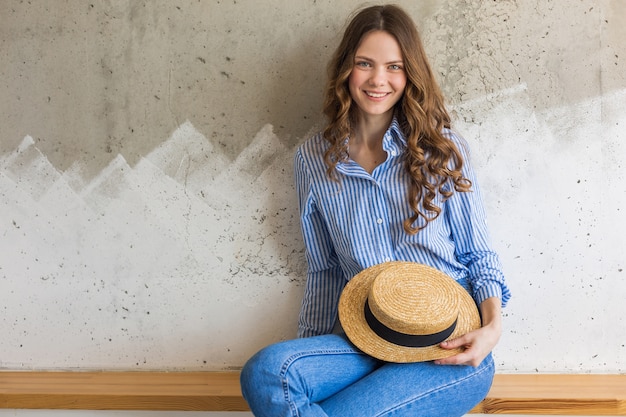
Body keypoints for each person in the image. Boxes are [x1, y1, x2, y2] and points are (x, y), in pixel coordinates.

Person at [240, 4, 511, 416]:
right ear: (346, 69)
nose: (378, 80)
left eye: (394, 67)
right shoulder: (312, 159)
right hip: (361, 338)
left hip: (445, 347)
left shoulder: (443, 150)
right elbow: (324, 269)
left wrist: (492, 330)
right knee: (266, 373)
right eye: (364, 63)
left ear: (410, 74)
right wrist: (309, 350)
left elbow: (478, 256)